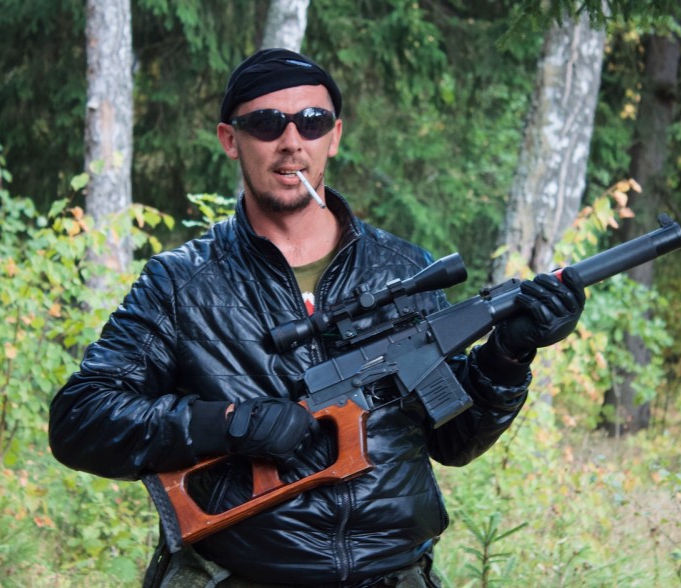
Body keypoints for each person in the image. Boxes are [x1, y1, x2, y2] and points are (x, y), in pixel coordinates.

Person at [48, 48, 585, 587]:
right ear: (230, 139)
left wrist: (508, 355)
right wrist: (228, 423)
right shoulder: (181, 283)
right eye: (266, 123)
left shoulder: (405, 270)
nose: (291, 141)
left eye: (312, 121)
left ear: (335, 135)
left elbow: (455, 440)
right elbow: (81, 419)